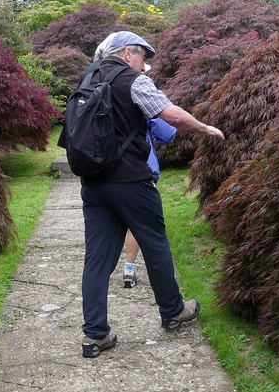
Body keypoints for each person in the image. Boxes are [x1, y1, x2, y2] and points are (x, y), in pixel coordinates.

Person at [77, 30, 224, 358]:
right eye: (144, 57)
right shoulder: (133, 80)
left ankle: (94, 335)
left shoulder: (86, 79)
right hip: (131, 181)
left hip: (93, 182)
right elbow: (169, 115)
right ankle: (173, 312)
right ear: (128, 53)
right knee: (155, 243)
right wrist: (203, 128)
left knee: (97, 259)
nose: (146, 65)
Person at [123, 115, 176, 287]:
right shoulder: (141, 97)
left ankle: (97, 281)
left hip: (106, 172)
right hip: (140, 172)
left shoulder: (99, 94)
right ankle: (129, 271)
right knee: (140, 225)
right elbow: (167, 133)